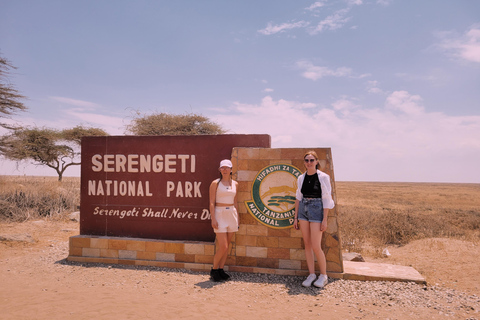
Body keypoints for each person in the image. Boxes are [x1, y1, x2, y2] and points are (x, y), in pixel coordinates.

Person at [293, 151, 335, 288]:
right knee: (307, 244)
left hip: (317, 209)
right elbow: (298, 197)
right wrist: (295, 218)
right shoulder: (301, 178)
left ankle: (323, 275)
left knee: (316, 245)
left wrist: (325, 219)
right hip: (303, 209)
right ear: (304, 162)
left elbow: (326, 198)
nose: (309, 163)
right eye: (306, 160)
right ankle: (311, 274)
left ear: (316, 161)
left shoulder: (323, 177)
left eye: (311, 160)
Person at [209, 159, 239, 282]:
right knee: (223, 246)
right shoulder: (215, 183)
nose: (225, 170)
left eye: (227, 168)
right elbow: (211, 202)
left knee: (227, 246)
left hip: (231, 214)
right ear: (220, 169)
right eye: (223, 168)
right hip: (219, 214)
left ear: (231, 170)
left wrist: (238, 218)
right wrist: (213, 218)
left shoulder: (235, 184)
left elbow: (236, 201)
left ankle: (221, 269)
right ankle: (214, 270)